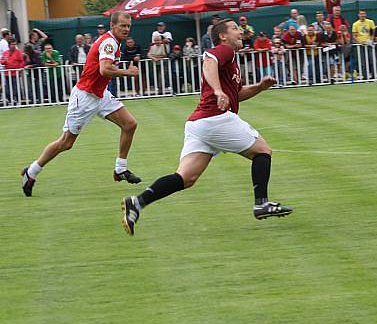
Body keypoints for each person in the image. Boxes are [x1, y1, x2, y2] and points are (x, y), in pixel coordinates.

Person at [120, 19, 292, 236]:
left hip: (198, 124)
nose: (240, 32)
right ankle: (261, 203)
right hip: (215, 118)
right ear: (222, 36)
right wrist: (218, 91)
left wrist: (259, 87)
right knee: (263, 151)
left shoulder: (231, 60)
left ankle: (137, 202)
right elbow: (208, 61)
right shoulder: (224, 51)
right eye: (235, 29)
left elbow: (236, 94)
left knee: (186, 178)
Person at [20, 12, 142, 197]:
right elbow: (105, 69)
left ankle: (120, 169)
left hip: (99, 95)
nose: (126, 29)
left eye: (128, 26)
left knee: (130, 124)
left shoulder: (113, 42)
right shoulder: (109, 43)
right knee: (66, 143)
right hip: (84, 98)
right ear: (113, 26)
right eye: (123, 26)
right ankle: (32, 171)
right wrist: (128, 72)